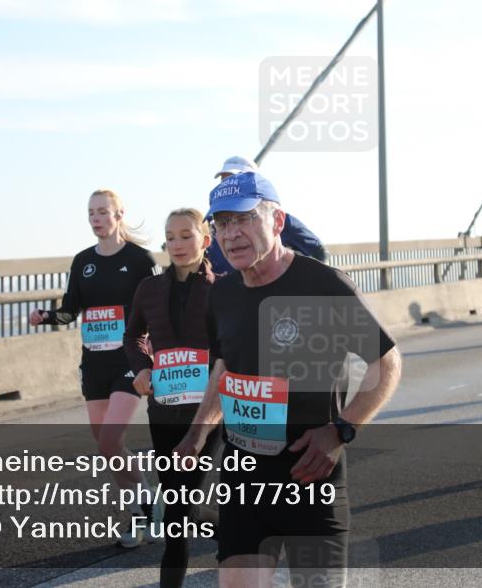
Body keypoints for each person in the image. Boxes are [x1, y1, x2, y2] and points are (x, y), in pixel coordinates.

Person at [175, 172, 402, 587]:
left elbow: (385, 364)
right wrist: (197, 433)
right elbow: (225, 367)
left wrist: (340, 430)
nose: (232, 234)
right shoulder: (222, 295)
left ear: (277, 221)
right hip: (243, 480)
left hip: (310, 476)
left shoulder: (322, 285)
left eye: (244, 219)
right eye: (222, 223)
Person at [29, 190, 157, 547]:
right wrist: (47, 317)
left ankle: (138, 511)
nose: (96, 218)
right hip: (94, 362)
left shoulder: (139, 259)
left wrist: (156, 354)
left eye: (103, 212)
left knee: (112, 439)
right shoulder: (82, 260)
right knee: (105, 445)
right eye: (91, 213)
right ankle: (143, 499)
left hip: (129, 361)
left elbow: (154, 308)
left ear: (119, 214)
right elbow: (71, 309)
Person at [125, 208, 221, 585]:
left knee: (184, 511)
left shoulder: (223, 288)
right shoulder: (148, 289)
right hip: (163, 412)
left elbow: (236, 343)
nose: (176, 244)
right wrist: (143, 368)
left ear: (205, 241)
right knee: (178, 513)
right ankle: (231, 536)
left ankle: (234, 539)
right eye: (170, 237)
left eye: (186, 235)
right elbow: (133, 336)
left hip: (208, 413)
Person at [207, 156, 328, 274]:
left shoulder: (283, 221)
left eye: (243, 219)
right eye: (224, 180)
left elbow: (317, 250)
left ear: (277, 222)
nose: (229, 185)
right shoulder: (212, 226)